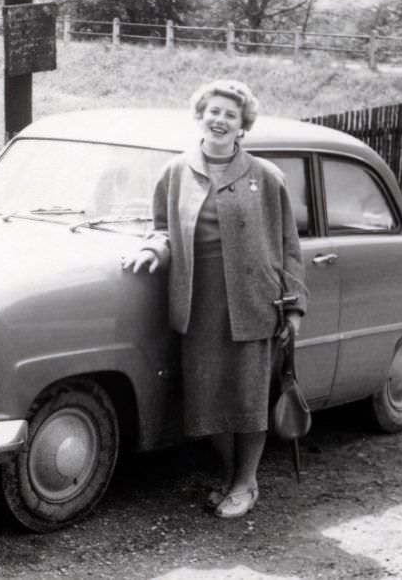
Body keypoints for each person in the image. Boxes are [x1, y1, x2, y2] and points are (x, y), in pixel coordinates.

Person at [122, 79, 307, 518]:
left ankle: (246, 483)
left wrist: (294, 305)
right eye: (214, 111)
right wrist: (152, 248)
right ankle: (229, 475)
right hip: (199, 302)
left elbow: (289, 244)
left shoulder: (266, 176)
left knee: (247, 398)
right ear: (200, 116)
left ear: (243, 126)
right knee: (206, 400)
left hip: (254, 301)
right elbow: (162, 229)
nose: (221, 120)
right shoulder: (175, 172)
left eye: (231, 115)